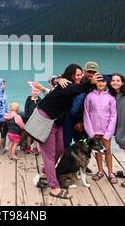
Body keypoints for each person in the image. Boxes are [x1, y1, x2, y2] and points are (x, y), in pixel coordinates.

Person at [36, 64, 100, 199]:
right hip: (46, 120)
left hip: (58, 121)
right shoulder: (65, 86)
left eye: (81, 74)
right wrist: (58, 80)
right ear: (71, 75)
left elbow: (81, 86)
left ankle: (45, 173)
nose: (80, 76)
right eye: (77, 75)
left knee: (60, 150)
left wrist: (59, 79)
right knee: (49, 154)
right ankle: (54, 187)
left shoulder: (73, 82)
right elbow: (76, 89)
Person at [83, 76, 118, 184]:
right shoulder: (89, 96)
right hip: (94, 130)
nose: (101, 84)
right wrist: (90, 132)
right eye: (98, 82)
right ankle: (100, 171)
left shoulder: (111, 97)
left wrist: (109, 132)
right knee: (98, 151)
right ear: (95, 83)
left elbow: (113, 116)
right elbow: (86, 113)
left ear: (106, 83)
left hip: (106, 130)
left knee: (107, 151)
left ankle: (111, 172)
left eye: (103, 82)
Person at [23, 87, 42, 154]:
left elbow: (41, 110)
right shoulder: (28, 99)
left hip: (37, 120)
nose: (35, 92)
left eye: (37, 91)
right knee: (29, 134)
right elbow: (26, 109)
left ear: (39, 92)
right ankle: (28, 147)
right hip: (29, 119)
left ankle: (35, 147)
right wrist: (27, 118)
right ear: (31, 91)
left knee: (35, 135)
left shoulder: (40, 100)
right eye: (34, 91)